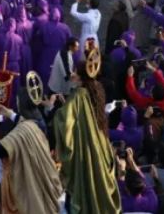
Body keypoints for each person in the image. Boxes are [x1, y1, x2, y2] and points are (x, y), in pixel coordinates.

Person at [53, 62, 121, 213]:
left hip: (84, 150)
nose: (72, 74)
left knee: (84, 183)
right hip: (99, 143)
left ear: (81, 75)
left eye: (75, 71)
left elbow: (65, 124)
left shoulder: (78, 94)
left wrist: (58, 110)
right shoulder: (96, 89)